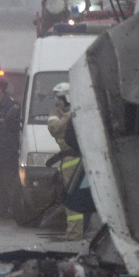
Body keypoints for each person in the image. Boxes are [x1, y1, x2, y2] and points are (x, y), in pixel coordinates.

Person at [46, 82, 83, 240]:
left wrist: (53, 113)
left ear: (68, 98)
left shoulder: (70, 115)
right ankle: (74, 233)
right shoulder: (69, 114)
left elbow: (54, 128)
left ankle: (74, 235)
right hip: (69, 161)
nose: (57, 102)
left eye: (60, 98)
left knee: (72, 200)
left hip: (72, 162)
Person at [0, 78, 23, 219]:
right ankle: (2, 207)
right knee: (0, 182)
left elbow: (14, 131)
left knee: (9, 182)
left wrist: (10, 149)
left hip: (9, 152)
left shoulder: (11, 106)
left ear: (2, 89)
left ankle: (13, 209)